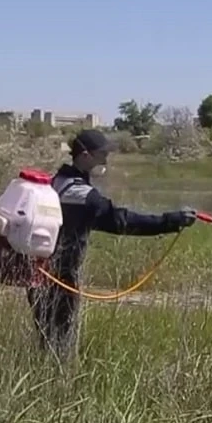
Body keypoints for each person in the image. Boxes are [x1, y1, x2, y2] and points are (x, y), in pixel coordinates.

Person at [28, 128, 196, 359]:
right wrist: (170, 221)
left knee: (46, 339)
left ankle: (47, 375)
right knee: (62, 345)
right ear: (85, 156)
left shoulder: (55, 182)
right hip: (62, 279)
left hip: (36, 275)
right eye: (102, 154)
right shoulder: (83, 196)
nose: (106, 159)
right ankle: (58, 383)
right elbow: (121, 221)